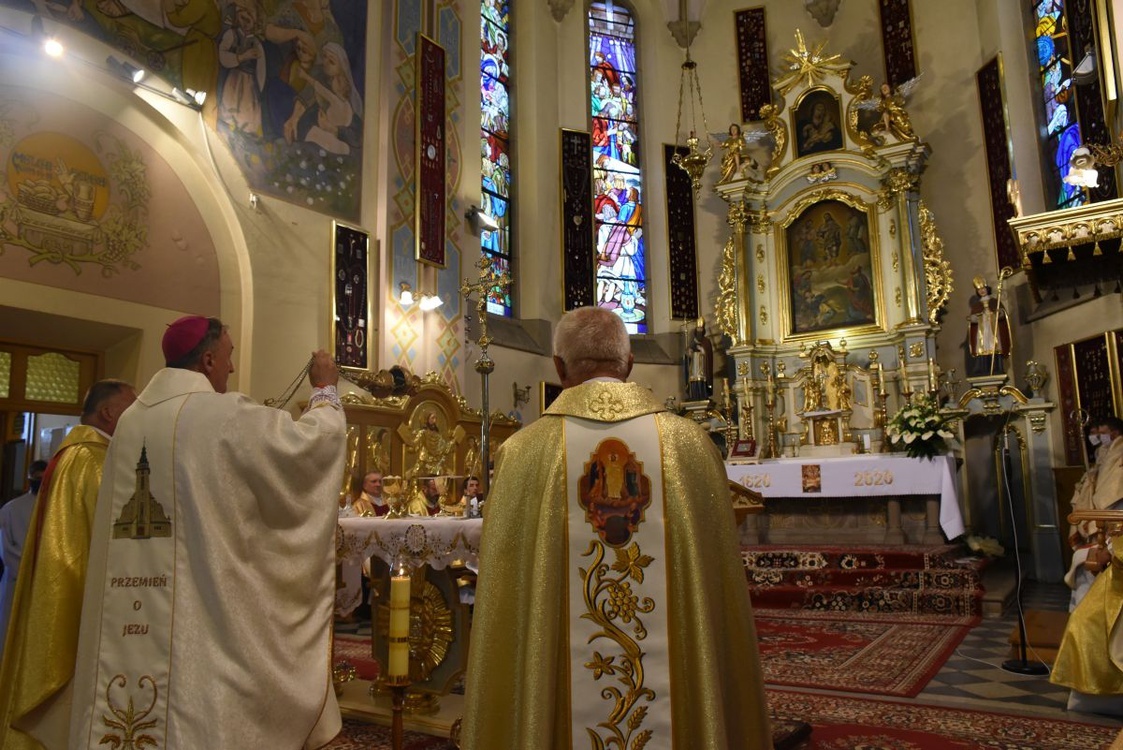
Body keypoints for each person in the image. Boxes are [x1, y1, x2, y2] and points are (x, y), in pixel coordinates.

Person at [461, 307, 771, 749]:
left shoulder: (522, 454)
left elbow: (505, 601)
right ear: (629, 364)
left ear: (559, 368)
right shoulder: (691, 447)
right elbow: (717, 589)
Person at [67, 316, 346, 749]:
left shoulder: (130, 423)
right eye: (229, 356)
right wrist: (325, 390)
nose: (231, 368)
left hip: (131, 606)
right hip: (201, 609)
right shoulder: (223, 414)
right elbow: (307, 449)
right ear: (209, 359)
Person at [0, 380, 137, 750]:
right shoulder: (90, 460)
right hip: (82, 601)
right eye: (132, 405)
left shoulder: (81, 455)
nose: (139, 414)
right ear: (108, 413)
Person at [1065, 417, 1123, 609]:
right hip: (1105, 528)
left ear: (1115, 433)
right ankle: (1084, 611)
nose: (1098, 437)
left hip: (1114, 526)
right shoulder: (1104, 454)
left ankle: (1087, 611)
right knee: (1082, 563)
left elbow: (1113, 491)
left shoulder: (1119, 455)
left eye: (1102, 433)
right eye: (1096, 434)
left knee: (1087, 562)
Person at [0, 460, 47, 663]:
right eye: (36, 477)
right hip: (17, 579)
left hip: (42, 579)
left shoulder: (55, 509)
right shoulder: (10, 509)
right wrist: (30, 568)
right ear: (29, 479)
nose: (39, 480)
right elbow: (5, 548)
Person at [966, 276, 1011, 377]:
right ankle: (983, 368)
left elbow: (1002, 315)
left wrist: (999, 313)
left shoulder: (995, 302)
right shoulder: (976, 306)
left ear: (987, 289)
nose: (982, 291)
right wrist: (973, 318)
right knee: (982, 346)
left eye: (983, 288)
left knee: (995, 345)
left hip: (994, 329)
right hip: (982, 331)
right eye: (979, 290)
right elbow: (973, 320)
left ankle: (997, 367)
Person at [685, 317, 714, 402]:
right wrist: (689, 352)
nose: (699, 330)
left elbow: (708, 354)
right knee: (694, 379)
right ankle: (694, 395)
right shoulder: (693, 341)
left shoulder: (706, 341)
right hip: (694, 365)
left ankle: (703, 394)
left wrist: (702, 350)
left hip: (702, 364)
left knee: (702, 379)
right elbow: (688, 353)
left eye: (701, 328)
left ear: (703, 329)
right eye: (698, 328)